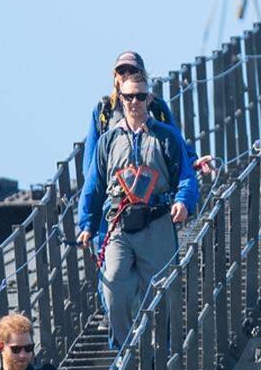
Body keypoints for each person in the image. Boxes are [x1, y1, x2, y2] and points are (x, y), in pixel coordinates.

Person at [78, 78, 200, 349]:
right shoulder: (108, 141)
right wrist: (86, 223)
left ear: (150, 98)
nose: (135, 102)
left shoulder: (167, 136)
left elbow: (186, 176)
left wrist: (183, 202)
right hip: (118, 224)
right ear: (120, 98)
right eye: (130, 97)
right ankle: (126, 349)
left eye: (141, 97)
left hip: (156, 221)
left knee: (158, 291)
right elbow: (94, 185)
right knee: (113, 287)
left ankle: (159, 350)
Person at [82, 51, 215, 179]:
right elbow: (90, 160)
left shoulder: (157, 107)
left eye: (132, 71)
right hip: (115, 187)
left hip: (154, 183)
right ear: (115, 76)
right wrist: (92, 192)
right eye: (121, 71)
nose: (127, 75)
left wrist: (193, 161)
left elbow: (176, 140)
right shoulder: (103, 110)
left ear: (142, 75)